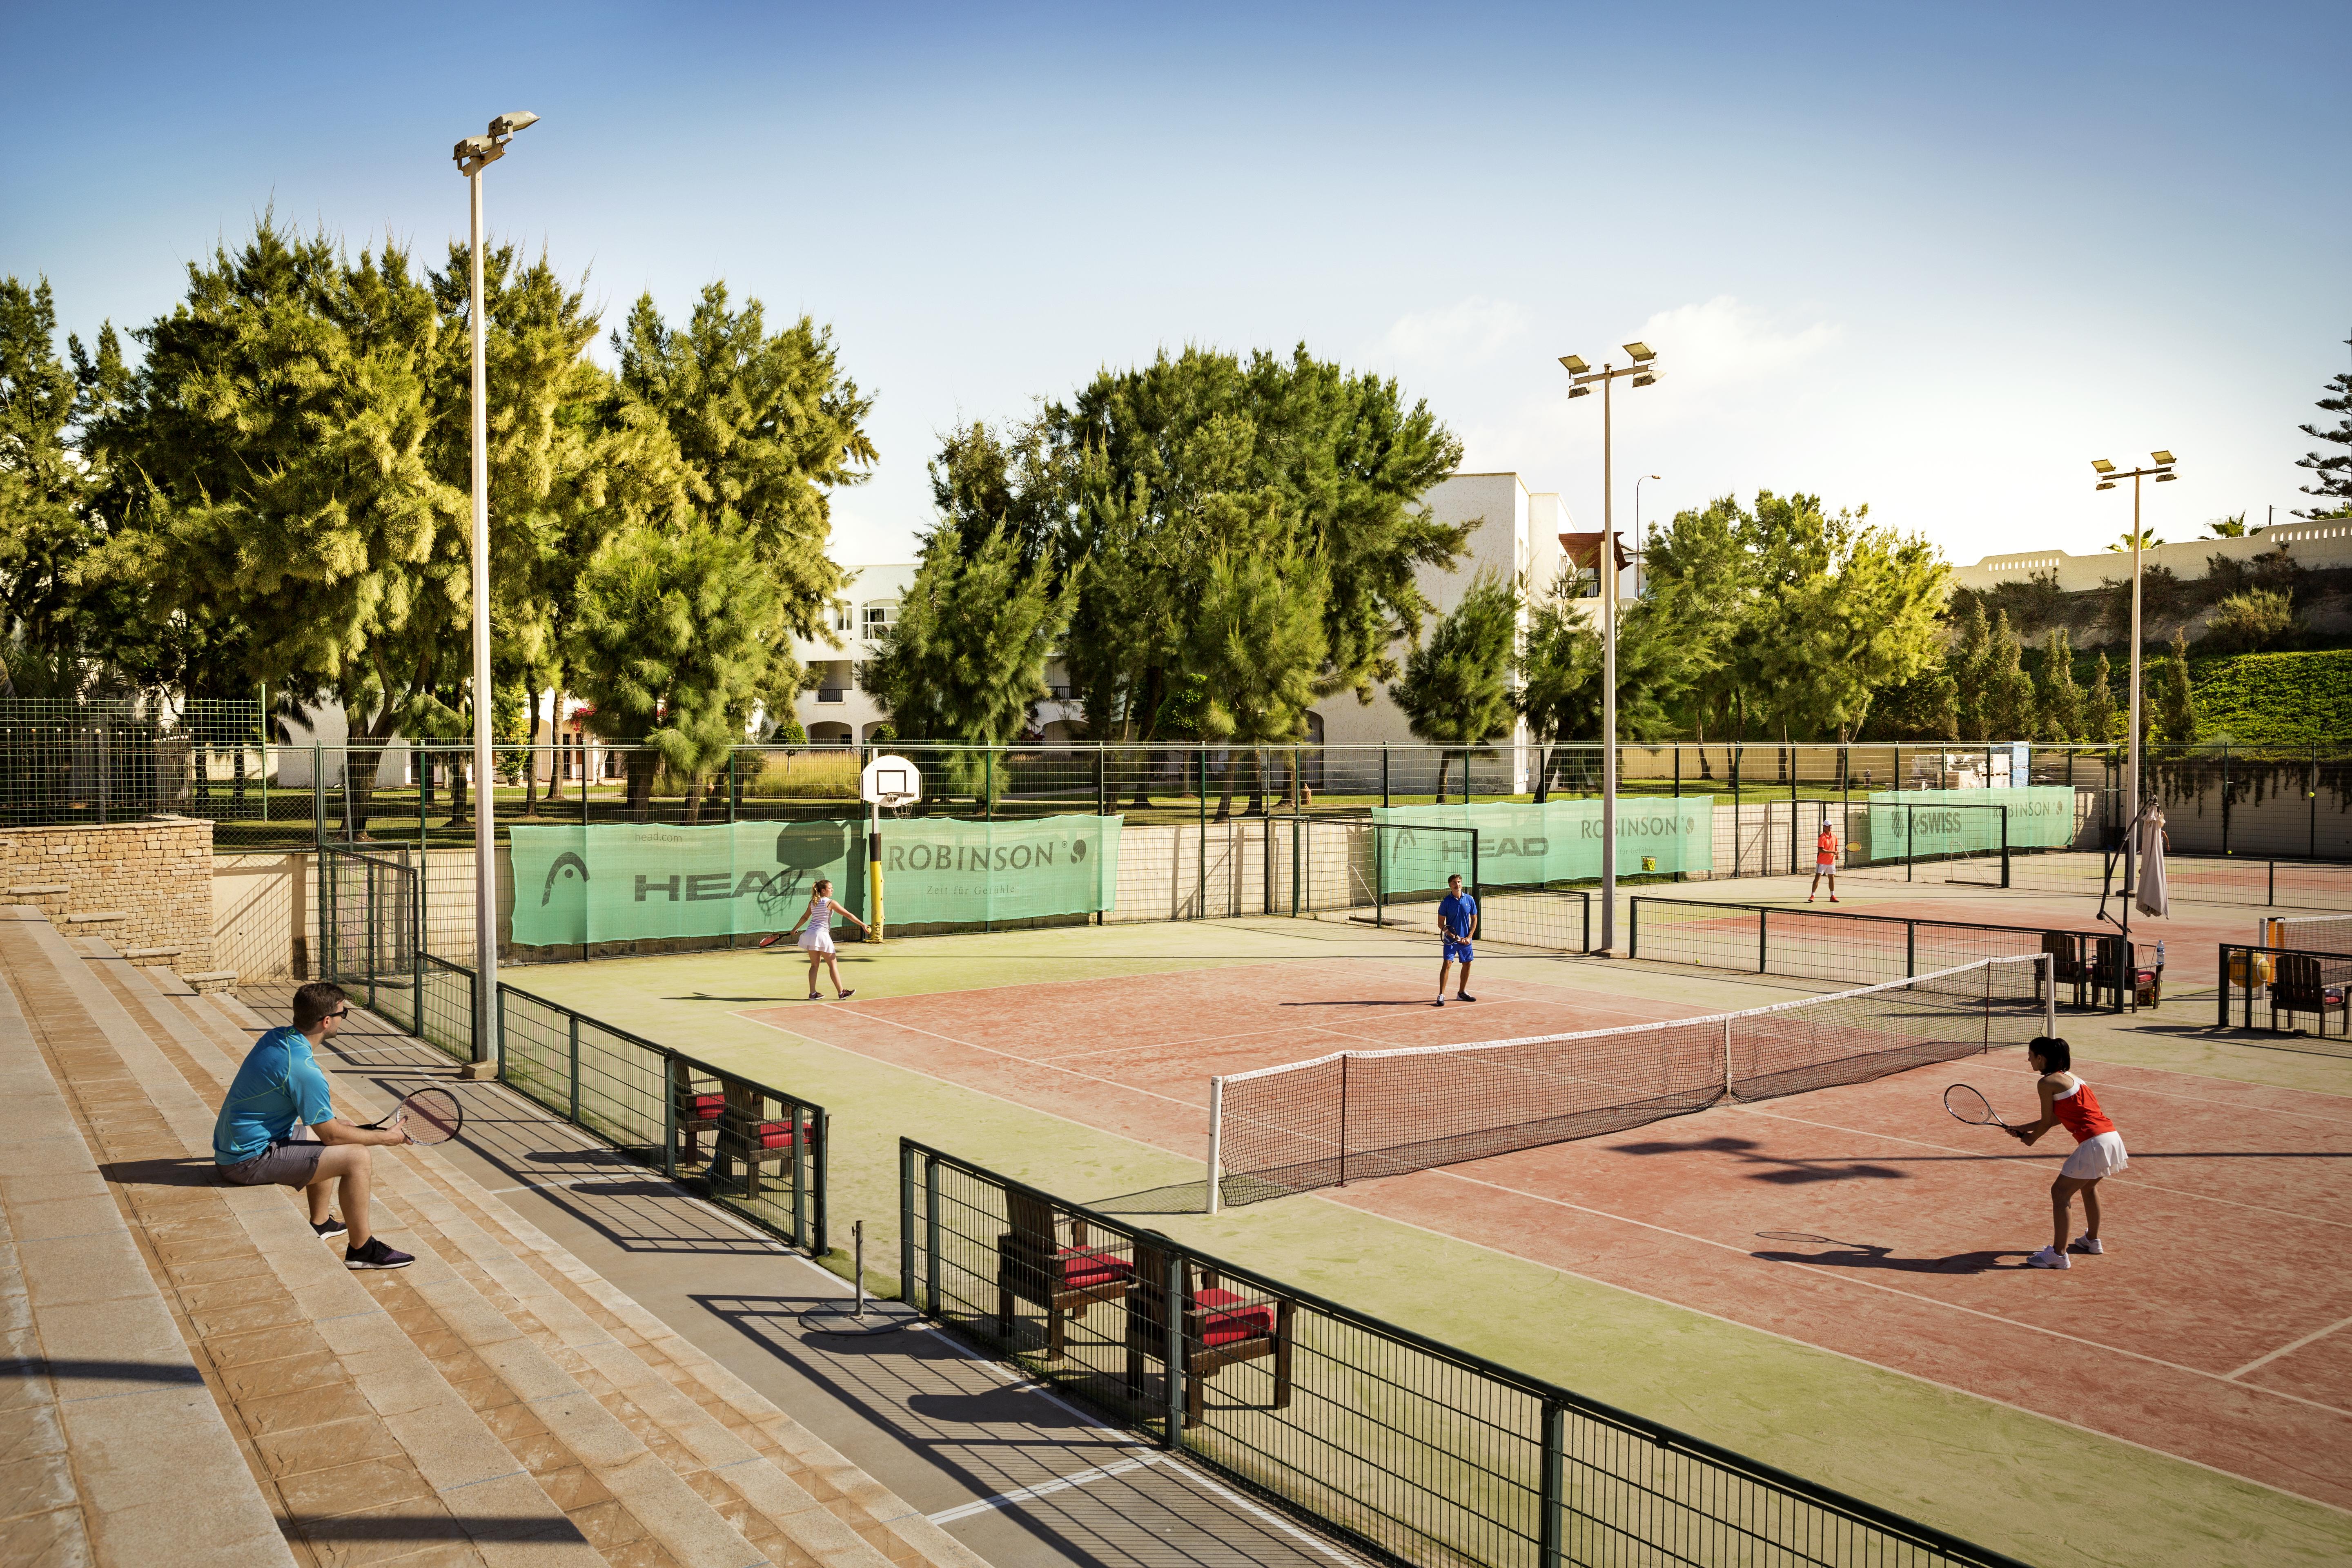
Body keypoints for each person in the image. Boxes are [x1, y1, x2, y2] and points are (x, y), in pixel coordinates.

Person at [212, 981, 415, 1271]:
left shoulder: (277, 1038)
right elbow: (331, 1137)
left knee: (342, 1127)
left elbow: (332, 1128)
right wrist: (386, 1139)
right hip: (246, 1161)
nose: (343, 1019)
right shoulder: (304, 1071)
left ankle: (321, 1223)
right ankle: (363, 1249)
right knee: (357, 1156)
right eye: (343, 1014)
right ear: (327, 1021)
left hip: (239, 1147)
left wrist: (357, 1132)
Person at [2007, 1036, 2127, 1270]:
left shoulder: (2046, 1083)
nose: (2028, 1059)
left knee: (2060, 1193)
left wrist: (2030, 1139)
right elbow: (2055, 1119)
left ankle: (2059, 1255)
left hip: (2094, 1142)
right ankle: (2092, 1241)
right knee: (2088, 1186)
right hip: (2112, 1137)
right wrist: (2024, 1128)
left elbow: (2046, 1122)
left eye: (2031, 1055)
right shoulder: (2071, 1078)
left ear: (2041, 1058)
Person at [782, 877, 867, 1000]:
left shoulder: (813, 902)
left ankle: (813, 994)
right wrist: (862, 924)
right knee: (833, 965)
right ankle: (841, 992)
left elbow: (805, 918)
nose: (832, 890)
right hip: (822, 936)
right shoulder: (831, 903)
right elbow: (848, 915)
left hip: (810, 935)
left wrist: (795, 929)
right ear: (823, 891)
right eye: (830, 888)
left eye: (832, 888)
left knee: (814, 965)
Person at [1434, 873, 1477, 1006]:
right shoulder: (1446, 902)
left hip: (1466, 941)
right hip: (1451, 941)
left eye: (1459, 882)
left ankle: (1461, 993)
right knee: (1447, 964)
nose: (1457, 885)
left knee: (1468, 964)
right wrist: (1452, 936)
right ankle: (1441, 995)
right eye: (1454, 883)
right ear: (1450, 885)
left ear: (1461, 883)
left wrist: (1469, 937)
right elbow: (1441, 923)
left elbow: (1474, 919)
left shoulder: (1470, 900)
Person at [1807, 820, 1840, 902]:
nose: (1830, 827)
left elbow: (1835, 846)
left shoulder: (1834, 836)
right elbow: (1821, 850)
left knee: (1832, 878)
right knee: (1818, 877)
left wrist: (1837, 854)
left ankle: (1832, 896)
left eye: (1831, 826)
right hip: (1822, 862)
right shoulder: (1822, 837)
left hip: (1831, 862)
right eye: (1828, 826)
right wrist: (1832, 852)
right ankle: (1812, 896)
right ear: (1824, 827)